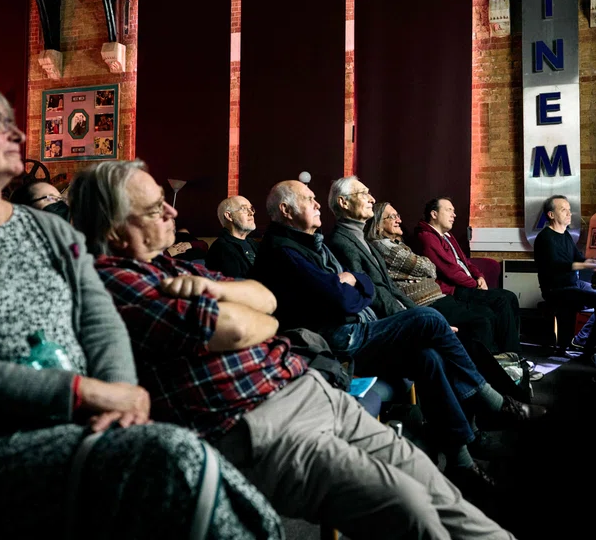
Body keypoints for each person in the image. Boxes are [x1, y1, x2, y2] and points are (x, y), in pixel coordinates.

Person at [0, 80, 282, 538]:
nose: (18, 135)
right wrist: (84, 394)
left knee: (178, 461)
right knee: (173, 456)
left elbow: (100, 323)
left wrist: (122, 396)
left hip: (80, 423)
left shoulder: (48, 230)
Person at [69, 160, 516, 540]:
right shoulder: (115, 283)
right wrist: (241, 304)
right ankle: (489, 403)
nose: (172, 210)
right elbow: (250, 322)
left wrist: (207, 288)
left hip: (304, 383)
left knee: (432, 485)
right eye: (154, 208)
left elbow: (267, 308)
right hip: (261, 421)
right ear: (113, 227)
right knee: (410, 506)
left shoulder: (179, 266)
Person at [252, 180, 546, 490]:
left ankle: (460, 460)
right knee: (432, 321)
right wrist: (353, 286)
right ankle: (494, 403)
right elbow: (347, 297)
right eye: (308, 199)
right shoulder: (287, 249)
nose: (315, 204)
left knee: (429, 356)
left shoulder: (316, 242)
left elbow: (365, 286)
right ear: (285, 209)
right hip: (336, 342)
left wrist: (353, 283)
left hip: (354, 326)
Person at [327, 180, 528, 394]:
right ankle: (500, 395)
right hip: (385, 321)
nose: (371, 198)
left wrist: (417, 314)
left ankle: (505, 384)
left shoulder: (366, 242)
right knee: (472, 326)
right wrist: (414, 318)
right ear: (344, 203)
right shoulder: (349, 242)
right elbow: (374, 293)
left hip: (419, 305)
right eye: (363, 193)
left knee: (479, 323)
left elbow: (397, 285)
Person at [413, 197, 522, 353]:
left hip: (469, 284)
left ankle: (511, 354)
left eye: (454, 211)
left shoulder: (448, 236)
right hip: (456, 289)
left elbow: (466, 262)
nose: (454, 214)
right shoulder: (427, 237)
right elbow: (451, 272)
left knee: (510, 297)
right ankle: (510, 356)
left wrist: (480, 277)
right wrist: (475, 284)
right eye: (449, 210)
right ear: (434, 214)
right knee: (501, 300)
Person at [532, 195, 596, 352]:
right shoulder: (544, 238)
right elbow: (557, 265)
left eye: (569, 210)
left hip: (573, 283)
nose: (569, 214)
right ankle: (585, 344)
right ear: (551, 215)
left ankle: (581, 339)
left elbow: (578, 258)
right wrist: (584, 265)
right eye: (563, 210)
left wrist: (595, 263)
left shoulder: (566, 235)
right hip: (556, 289)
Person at [206, 195, 259, 277]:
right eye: (244, 209)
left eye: (251, 209)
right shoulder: (221, 249)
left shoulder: (255, 244)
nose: (251, 213)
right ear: (229, 216)